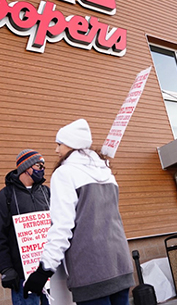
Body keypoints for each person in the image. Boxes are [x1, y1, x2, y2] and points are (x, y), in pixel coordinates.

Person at [23, 119, 135, 304]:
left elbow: (62, 226)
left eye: (59, 144)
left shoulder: (65, 173)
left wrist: (44, 270)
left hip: (90, 269)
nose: (56, 150)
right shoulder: (107, 173)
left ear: (72, 144)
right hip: (120, 262)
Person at [0, 149, 51, 305]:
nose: (42, 170)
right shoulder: (5, 196)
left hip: (50, 272)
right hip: (23, 274)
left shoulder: (47, 193)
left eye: (43, 166)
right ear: (26, 168)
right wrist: (6, 269)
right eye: (39, 165)